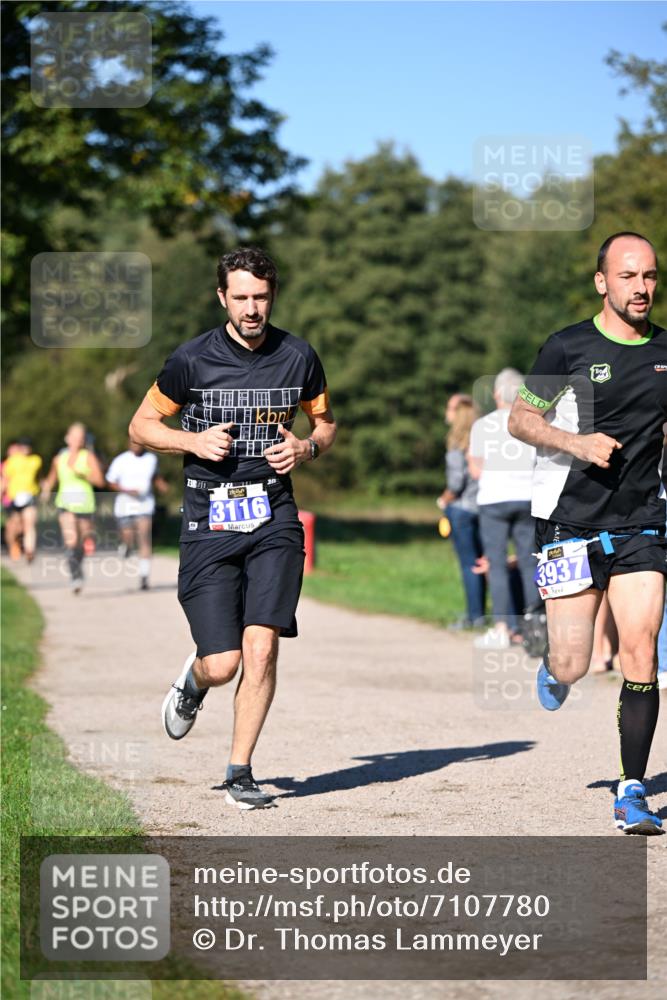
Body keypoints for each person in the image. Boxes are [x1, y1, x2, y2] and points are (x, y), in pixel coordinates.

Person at [128, 246, 336, 810]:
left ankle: (240, 770)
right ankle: (194, 681)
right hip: (209, 518)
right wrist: (192, 441)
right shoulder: (190, 360)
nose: (251, 309)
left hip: (274, 516)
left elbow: (325, 423)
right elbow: (141, 425)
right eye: (240, 297)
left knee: (262, 646)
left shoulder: (298, 356)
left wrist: (306, 447)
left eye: (261, 298)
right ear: (222, 297)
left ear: (273, 296)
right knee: (224, 663)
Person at [508, 231, 665, 836]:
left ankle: (632, 788)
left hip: (644, 522)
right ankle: (555, 665)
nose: (642, 288)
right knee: (574, 664)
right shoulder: (567, 346)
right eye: (628, 277)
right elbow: (524, 419)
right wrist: (576, 443)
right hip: (567, 521)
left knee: (640, 650)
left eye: (649, 276)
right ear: (603, 282)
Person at [469, 369, 539, 649]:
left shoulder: (483, 425)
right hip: (528, 496)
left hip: (494, 499)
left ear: (496, 394)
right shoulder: (533, 423)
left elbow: (475, 469)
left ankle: (502, 627)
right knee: (528, 562)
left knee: (496, 564)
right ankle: (534, 626)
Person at [437, 394, 485, 628]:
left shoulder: (457, 446)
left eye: (449, 408)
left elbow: (456, 483)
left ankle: (474, 616)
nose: (446, 412)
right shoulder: (483, 443)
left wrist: (442, 500)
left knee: (468, 564)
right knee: (484, 562)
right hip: (483, 508)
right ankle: (485, 615)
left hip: (462, 510)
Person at [41, 422, 106, 593]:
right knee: (71, 540)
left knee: (82, 542)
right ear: (67, 438)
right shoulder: (58, 459)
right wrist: (45, 490)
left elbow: (100, 481)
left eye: (81, 437)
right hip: (65, 504)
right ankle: (75, 576)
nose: (77, 440)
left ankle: (78, 569)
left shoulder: (88, 457)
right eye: (75, 436)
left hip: (85, 504)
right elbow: (51, 479)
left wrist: (82, 474)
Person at [106, 439, 169, 590]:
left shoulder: (151, 459)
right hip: (125, 505)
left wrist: (161, 485)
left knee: (144, 539)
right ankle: (126, 546)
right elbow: (111, 481)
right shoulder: (120, 460)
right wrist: (127, 491)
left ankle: (144, 577)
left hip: (145, 505)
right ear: (129, 444)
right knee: (128, 537)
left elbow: (155, 475)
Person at [1, 438, 42, 562]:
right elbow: (5, 479)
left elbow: (38, 477)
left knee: (29, 524)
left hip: (30, 496)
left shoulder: (36, 460)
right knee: (15, 526)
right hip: (14, 497)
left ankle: (30, 549)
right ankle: (14, 544)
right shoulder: (12, 461)